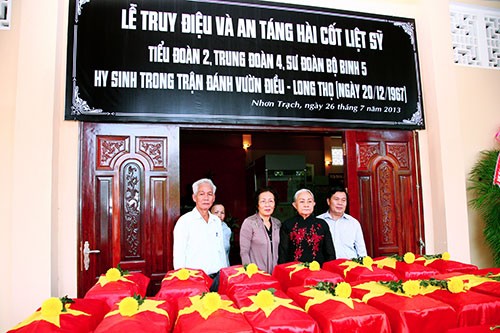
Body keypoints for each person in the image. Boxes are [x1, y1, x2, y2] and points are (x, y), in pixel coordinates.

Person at [173, 178, 228, 290]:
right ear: (194, 197)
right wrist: (182, 279)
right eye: (201, 194)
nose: (206, 198)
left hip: (217, 278)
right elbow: (179, 254)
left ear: (214, 198)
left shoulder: (216, 221)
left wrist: (224, 274)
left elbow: (220, 250)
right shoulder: (184, 221)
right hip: (193, 280)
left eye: (209, 194)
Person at [278, 189, 336, 265]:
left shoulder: (322, 224)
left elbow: (330, 253)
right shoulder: (288, 225)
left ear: (314, 204)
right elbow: (283, 253)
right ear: (295, 205)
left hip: (318, 272)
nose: (306, 205)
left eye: (309, 201)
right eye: (302, 201)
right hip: (294, 272)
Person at [317, 186, 367, 259]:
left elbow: (361, 251)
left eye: (343, 200)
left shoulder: (353, 223)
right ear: (328, 201)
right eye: (336, 199)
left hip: (350, 266)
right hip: (326, 267)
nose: (340, 203)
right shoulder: (318, 222)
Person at [240, 187, 281, 274]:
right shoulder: (249, 223)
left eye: (270, 201)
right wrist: (250, 272)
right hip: (256, 274)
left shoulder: (277, 223)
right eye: (263, 201)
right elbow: (244, 252)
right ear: (257, 204)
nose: (267, 205)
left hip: (276, 274)